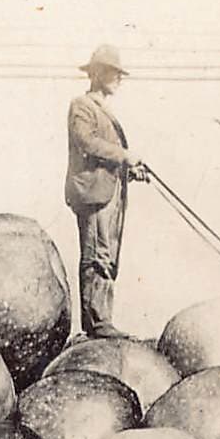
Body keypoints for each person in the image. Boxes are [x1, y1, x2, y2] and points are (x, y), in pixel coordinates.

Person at [65, 44, 145, 339]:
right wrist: (124, 156)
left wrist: (129, 168)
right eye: (113, 73)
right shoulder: (82, 106)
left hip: (109, 192)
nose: (118, 79)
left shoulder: (102, 109)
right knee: (97, 254)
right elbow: (86, 142)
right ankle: (98, 323)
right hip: (94, 193)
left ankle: (102, 319)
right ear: (96, 74)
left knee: (107, 254)